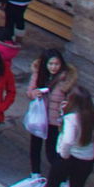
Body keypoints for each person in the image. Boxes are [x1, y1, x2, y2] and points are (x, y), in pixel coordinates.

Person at [44, 85, 94, 187]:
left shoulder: (72, 119)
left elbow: (68, 140)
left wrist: (63, 155)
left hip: (69, 158)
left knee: (53, 184)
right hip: (86, 159)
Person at [27, 48, 77, 179]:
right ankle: (35, 173)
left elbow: (72, 98)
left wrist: (66, 106)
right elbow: (30, 91)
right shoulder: (38, 75)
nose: (54, 67)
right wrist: (34, 93)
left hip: (55, 120)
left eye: (56, 64)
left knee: (53, 150)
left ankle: (59, 176)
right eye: (51, 64)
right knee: (35, 146)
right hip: (39, 118)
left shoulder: (67, 79)